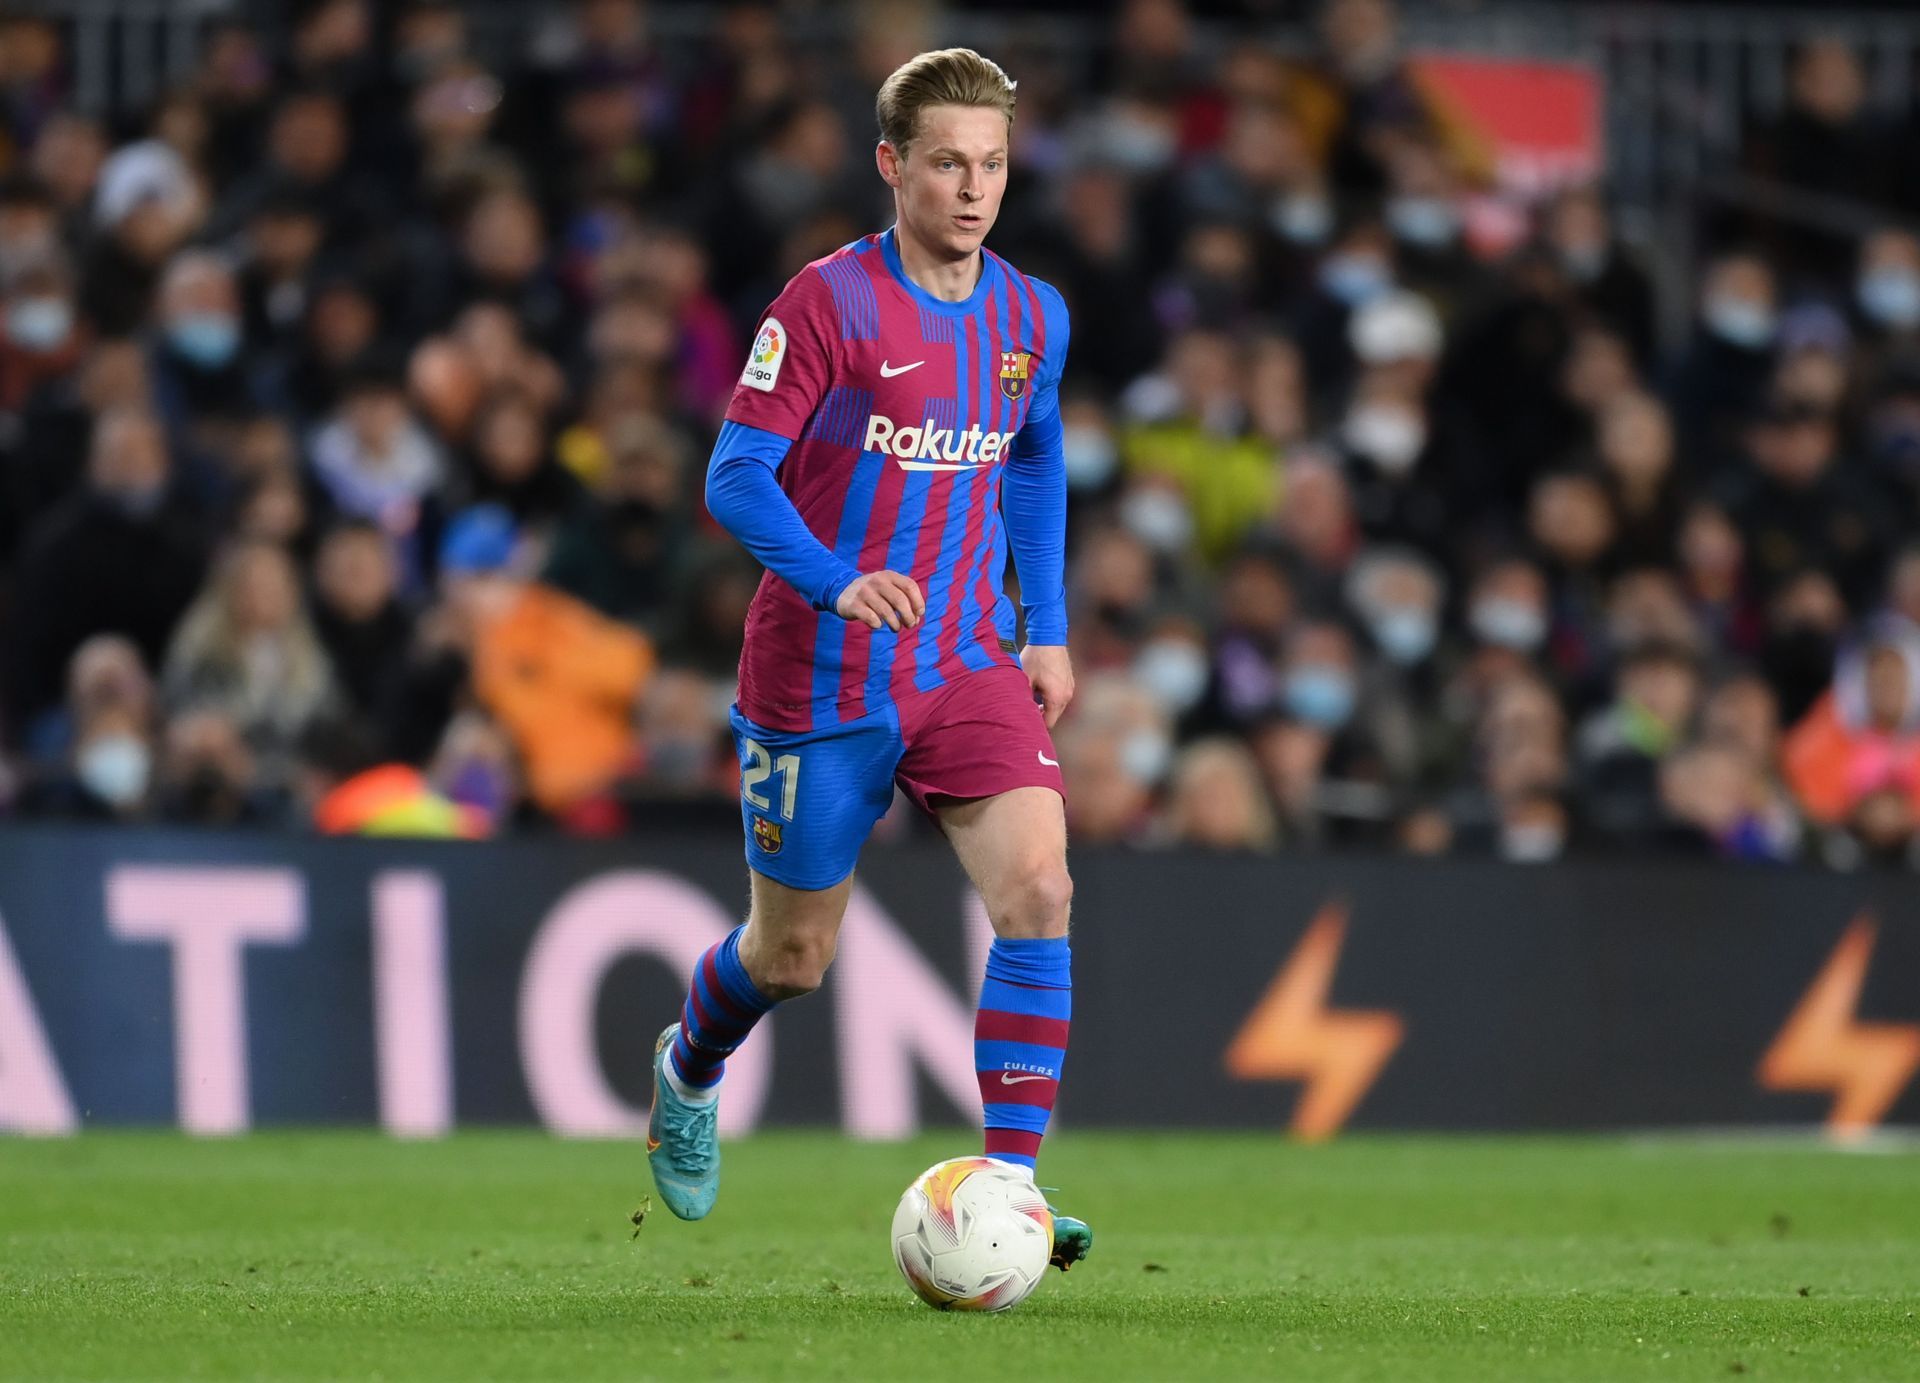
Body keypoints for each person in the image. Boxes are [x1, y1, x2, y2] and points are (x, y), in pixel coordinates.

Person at [645, 48, 1090, 1272]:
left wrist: (1041, 621)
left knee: (1040, 890)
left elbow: (1035, 456)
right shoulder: (827, 305)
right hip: (822, 675)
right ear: (892, 165)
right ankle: (688, 1069)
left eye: (992, 164)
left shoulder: (1031, 316)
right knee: (790, 958)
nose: (972, 188)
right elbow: (734, 475)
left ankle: (1008, 1187)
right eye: (947, 162)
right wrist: (839, 579)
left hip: (959, 657)